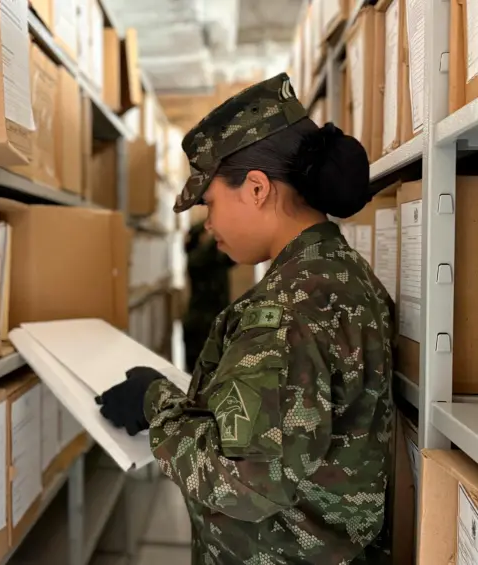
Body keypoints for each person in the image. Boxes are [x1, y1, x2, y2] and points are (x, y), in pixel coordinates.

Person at [97, 73, 393, 565]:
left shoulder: (286, 311)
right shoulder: (343, 272)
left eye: (210, 203)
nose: (208, 223)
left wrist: (156, 403)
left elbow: (243, 481)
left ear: (256, 188)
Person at [183, 220, 235, 373]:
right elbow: (204, 253)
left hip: (217, 321)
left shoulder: (217, 260)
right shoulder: (195, 260)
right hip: (200, 325)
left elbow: (235, 257)